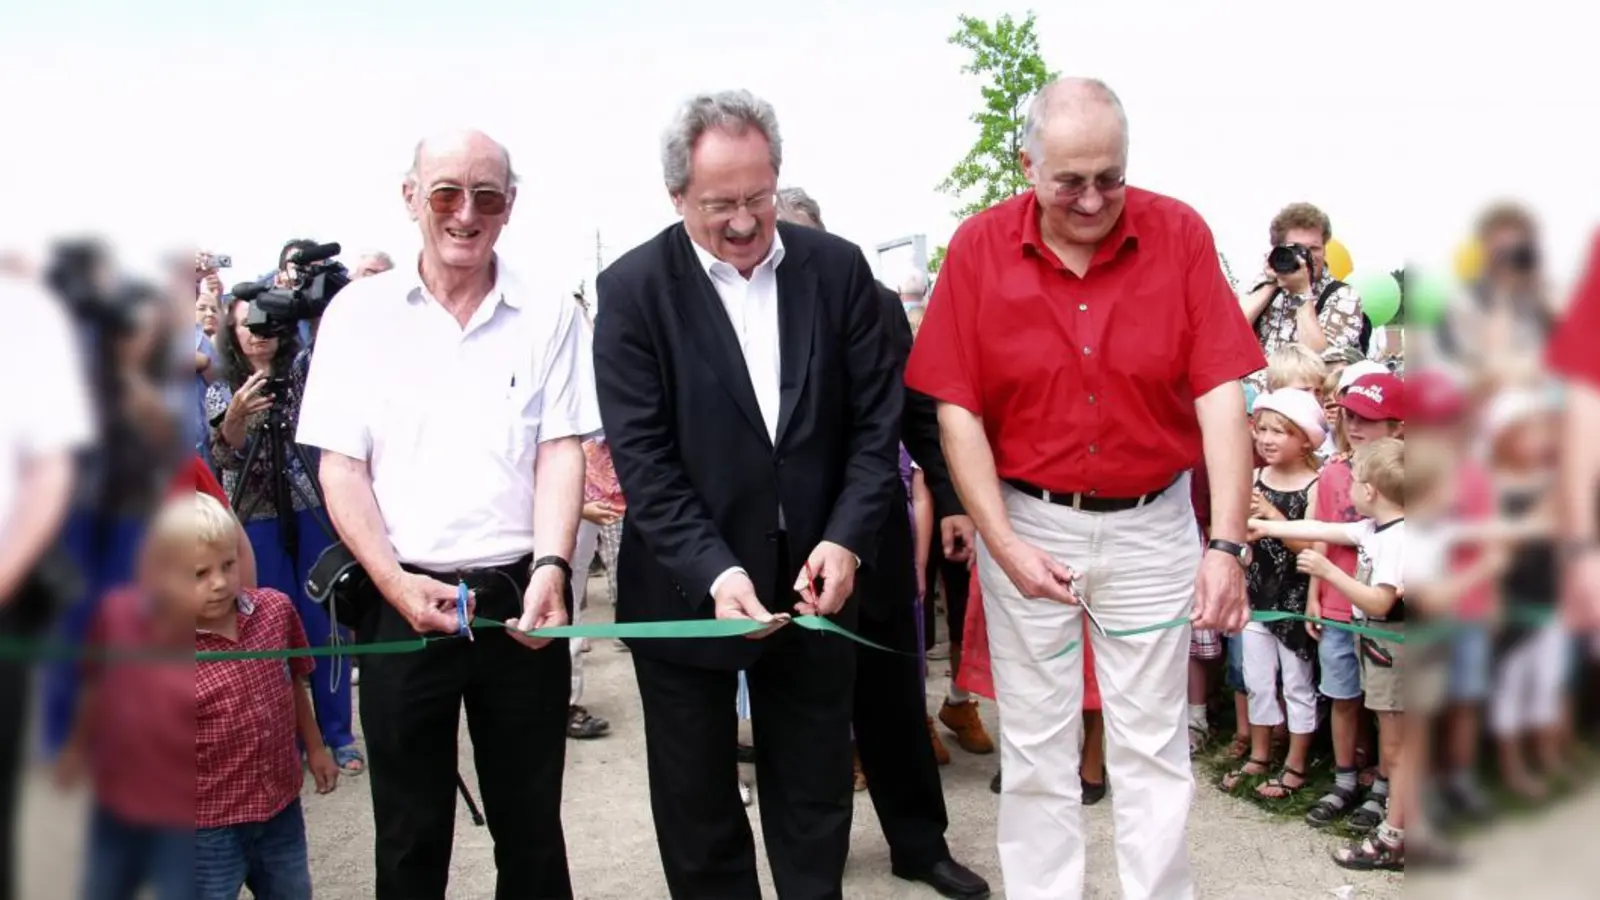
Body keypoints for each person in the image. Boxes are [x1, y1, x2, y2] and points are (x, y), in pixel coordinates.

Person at [905, 77, 1262, 900]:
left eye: (1112, 176)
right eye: (1070, 180)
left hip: (1153, 525)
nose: (1094, 198)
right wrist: (1003, 544)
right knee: (1035, 747)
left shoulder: (1179, 234)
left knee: (1153, 747)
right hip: (1028, 519)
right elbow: (956, 412)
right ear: (1026, 162)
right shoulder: (978, 248)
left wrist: (1228, 546)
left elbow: (1220, 399)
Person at [592, 90, 901, 900]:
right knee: (699, 826)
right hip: (686, 598)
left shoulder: (835, 270)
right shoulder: (631, 291)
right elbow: (645, 461)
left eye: (758, 198)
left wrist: (847, 537)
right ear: (675, 197)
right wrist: (718, 572)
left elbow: (875, 427)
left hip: (817, 595)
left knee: (814, 806)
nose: (742, 221)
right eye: (718, 204)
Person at [296, 129, 595, 899]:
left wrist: (553, 567)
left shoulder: (550, 310)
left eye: (487, 196)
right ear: (410, 199)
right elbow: (341, 466)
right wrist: (393, 582)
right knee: (408, 831)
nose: (466, 213)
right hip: (399, 601)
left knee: (532, 830)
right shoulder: (357, 315)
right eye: (445, 193)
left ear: (510, 207)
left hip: (519, 602)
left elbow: (561, 449)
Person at [773, 186, 990, 898]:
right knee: (807, 715)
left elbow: (916, 409)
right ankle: (815, 866)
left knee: (895, 701)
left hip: (878, 536)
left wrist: (951, 498)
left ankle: (920, 844)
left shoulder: (871, 300)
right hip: (791, 549)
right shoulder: (741, 309)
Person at [206, 294, 361, 775]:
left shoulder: (303, 373)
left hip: (309, 505)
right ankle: (290, 739)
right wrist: (234, 419)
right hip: (255, 517)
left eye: (266, 322)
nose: (257, 331)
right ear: (231, 334)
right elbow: (226, 459)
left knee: (326, 623)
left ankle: (339, 734)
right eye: (245, 324)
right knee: (269, 626)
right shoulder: (220, 387)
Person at [1251, 437, 1409, 869]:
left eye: (1355, 481)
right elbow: (1323, 529)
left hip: (1392, 646)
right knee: (1395, 743)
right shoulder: (1376, 528)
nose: (1349, 488)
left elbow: (1380, 602)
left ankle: (1397, 834)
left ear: (1371, 493)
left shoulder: (1398, 540)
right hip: (1379, 645)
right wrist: (1268, 527)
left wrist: (1326, 572)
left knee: (1398, 748)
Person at [193, 491, 338, 899]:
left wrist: (316, 747)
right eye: (198, 574)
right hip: (206, 827)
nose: (219, 583)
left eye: (228, 564)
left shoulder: (274, 611)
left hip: (280, 810)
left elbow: (293, 681)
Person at [1219, 389, 1324, 799]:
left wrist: (1274, 517)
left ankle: (1296, 762)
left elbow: (1312, 548)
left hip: (1294, 601)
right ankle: (1260, 755)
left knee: (1297, 684)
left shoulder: (1314, 486)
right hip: (1256, 597)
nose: (1266, 438)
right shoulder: (1255, 479)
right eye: (1261, 429)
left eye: (1279, 431)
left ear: (1305, 440)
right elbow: (1242, 537)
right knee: (1258, 680)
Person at [1239, 202, 1367, 390]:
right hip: (1254, 404)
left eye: (1314, 248)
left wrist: (1302, 293)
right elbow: (1230, 331)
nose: (1306, 256)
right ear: (1278, 249)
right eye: (1296, 248)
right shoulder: (1265, 286)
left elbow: (1319, 358)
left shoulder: (1343, 295)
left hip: (1305, 406)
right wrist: (1272, 282)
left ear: (1325, 249)